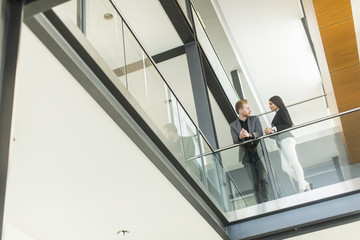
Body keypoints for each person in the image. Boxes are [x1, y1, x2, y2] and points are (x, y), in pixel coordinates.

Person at [264, 95, 312, 193]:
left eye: (271, 104)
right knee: (285, 168)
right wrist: (269, 133)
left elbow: (288, 125)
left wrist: (273, 129)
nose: (269, 106)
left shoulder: (282, 110)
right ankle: (305, 183)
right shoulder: (277, 114)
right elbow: (277, 132)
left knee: (294, 163)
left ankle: (301, 188)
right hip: (281, 141)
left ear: (277, 102)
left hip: (287, 139)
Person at [230, 99, 270, 203]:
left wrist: (249, 135)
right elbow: (235, 141)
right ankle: (260, 204)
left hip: (258, 153)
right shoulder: (233, 125)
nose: (250, 110)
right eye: (247, 108)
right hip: (246, 156)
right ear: (240, 110)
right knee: (255, 183)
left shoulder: (255, 119)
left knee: (264, 179)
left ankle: (267, 201)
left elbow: (260, 133)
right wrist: (240, 137)